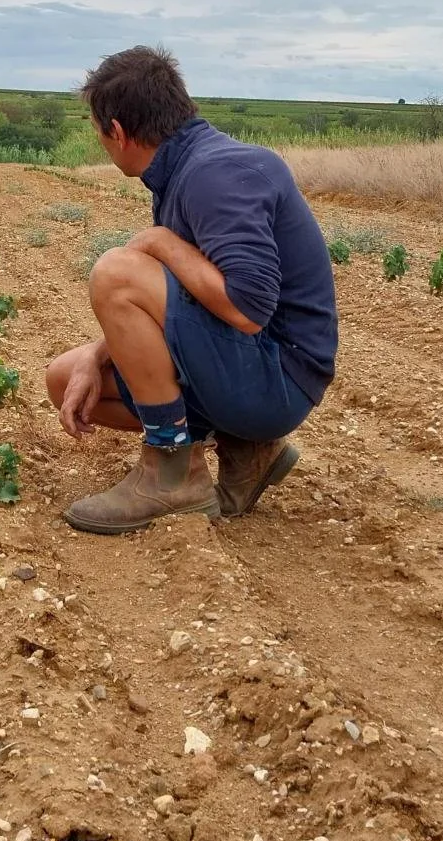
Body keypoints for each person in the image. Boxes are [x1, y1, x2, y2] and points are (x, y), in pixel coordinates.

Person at [45, 46, 337, 534]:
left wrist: (160, 241)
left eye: (98, 131)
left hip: (278, 380)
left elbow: (247, 310)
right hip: (252, 368)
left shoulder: (216, 174)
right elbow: (182, 299)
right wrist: (97, 357)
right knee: (65, 379)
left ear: (116, 131)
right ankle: (248, 449)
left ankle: (172, 470)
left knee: (116, 272)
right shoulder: (187, 170)